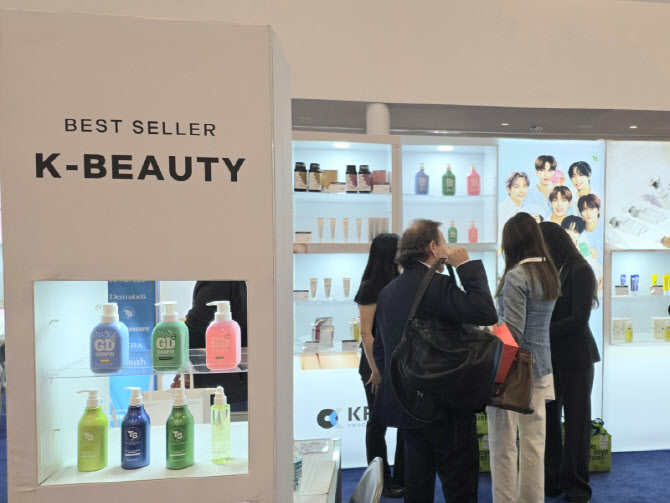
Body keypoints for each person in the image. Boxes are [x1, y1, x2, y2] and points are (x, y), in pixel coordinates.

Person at [373, 219, 498, 503]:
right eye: (443, 243)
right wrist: (465, 266)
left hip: (408, 405)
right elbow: (485, 312)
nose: (447, 249)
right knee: (459, 486)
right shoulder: (436, 285)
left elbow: (381, 349)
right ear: (432, 247)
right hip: (444, 405)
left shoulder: (389, 290)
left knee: (417, 487)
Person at [487, 212, 560, 503]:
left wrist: (485, 331)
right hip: (541, 367)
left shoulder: (516, 276)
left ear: (511, 242)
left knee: (503, 444)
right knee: (534, 444)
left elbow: (512, 333)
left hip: (512, 370)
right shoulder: (548, 272)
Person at [540, 222, 601, 503]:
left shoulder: (580, 270)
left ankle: (576, 485)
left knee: (577, 423)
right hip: (551, 358)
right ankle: (552, 480)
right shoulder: (549, 270)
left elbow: (579, 319)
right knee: (550, 422)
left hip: (577, 358)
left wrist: (541, 332)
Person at [354, 233, 405, 498]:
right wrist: (376, 370)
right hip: (377, 365)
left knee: (406, 423)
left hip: (399, 362)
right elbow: (366, 333)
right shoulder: (370, 287)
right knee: (377, 424)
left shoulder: (400, 282)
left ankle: (404, 476)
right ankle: (381, 480)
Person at [173, 281, 248, 411]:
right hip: (234, 387)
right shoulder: (235, 280)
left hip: (224, 390)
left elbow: (193, 332)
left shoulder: (218, 281)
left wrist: (191, 368)